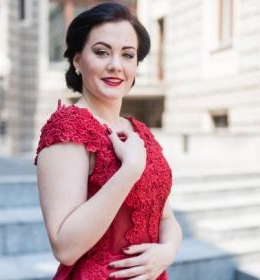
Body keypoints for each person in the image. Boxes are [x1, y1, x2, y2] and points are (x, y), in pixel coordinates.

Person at [34, 3, 182, 279]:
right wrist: (129, 171)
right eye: (102, 52)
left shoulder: (139, 132)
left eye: (128, 55)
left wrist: (168, 250)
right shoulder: (67, 128)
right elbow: (65, 248)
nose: (116, 65)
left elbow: (166, 218)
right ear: (77, 60)